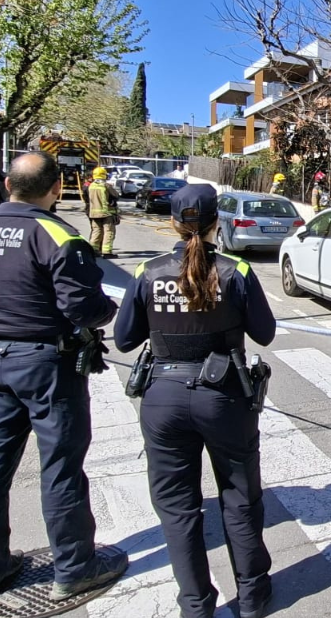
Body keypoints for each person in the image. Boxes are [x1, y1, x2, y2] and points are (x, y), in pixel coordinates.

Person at [0, 151, 128, 603]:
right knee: (62, 466)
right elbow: (83, 307)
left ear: (8, 185)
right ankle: (74, 568)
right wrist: (108, 309)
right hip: (48, 363)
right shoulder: (55, 234)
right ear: (56, 189)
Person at [114, 184, 276, 618]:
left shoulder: (147, 271)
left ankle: (196, 604)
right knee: (240, 497)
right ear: (215, 224)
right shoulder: (236, 270)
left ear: (172, 222)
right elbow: (265, 333)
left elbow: (125, 338)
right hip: (224, 398)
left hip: (163, 399)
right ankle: (253, 597)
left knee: (177, 507)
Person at [84, 167, 120, 258]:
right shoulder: (106, 185)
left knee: (97, 231)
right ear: (104, 175)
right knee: (109, 231)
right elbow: (116, 195)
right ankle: (107, 252)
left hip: (94, 213)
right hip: (106, 213)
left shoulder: (90, 186)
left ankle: (93, 251)